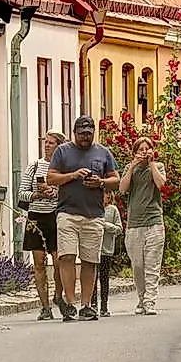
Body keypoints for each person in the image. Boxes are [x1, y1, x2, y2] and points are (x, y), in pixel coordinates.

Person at [45, 114, 118, 321]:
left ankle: (86, 304)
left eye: (89, 133)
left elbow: (116, 180)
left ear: (94, 132)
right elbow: (51, 178)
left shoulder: (103, 152)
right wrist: (73, 175)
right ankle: (69, 303)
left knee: (89, 260)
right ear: (74, 133)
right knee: (66, 256)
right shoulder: (63, 151)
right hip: (67, 212)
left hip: (94, 214)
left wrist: (101, 182)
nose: (85, 137)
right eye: (81, 133)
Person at [119, 136, 168, 315]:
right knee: (137, 265)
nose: (144, 152)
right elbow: (122, 189)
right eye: (141, 149)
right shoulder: (129, 169)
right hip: (134, 224)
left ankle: (150, 302)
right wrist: (132, 166)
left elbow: (161, 184)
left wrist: (152, 163)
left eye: (148, 148)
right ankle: (141, 298)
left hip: (154, 221)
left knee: (152, 265)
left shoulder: (158, 166)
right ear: (135, 152)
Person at [21, 134, 61, 320]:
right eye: (45, 142)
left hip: (55, 216)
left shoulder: (62, 168)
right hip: (36, 216)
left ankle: (58, 296)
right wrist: (36, 195)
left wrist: (55, 192)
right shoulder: (34, 166)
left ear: (59, 146)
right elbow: (22, 193)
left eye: (51, 143)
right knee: (39, 263)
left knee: (59, 260)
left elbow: (68, 192)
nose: (46, 146)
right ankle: (44, 306)